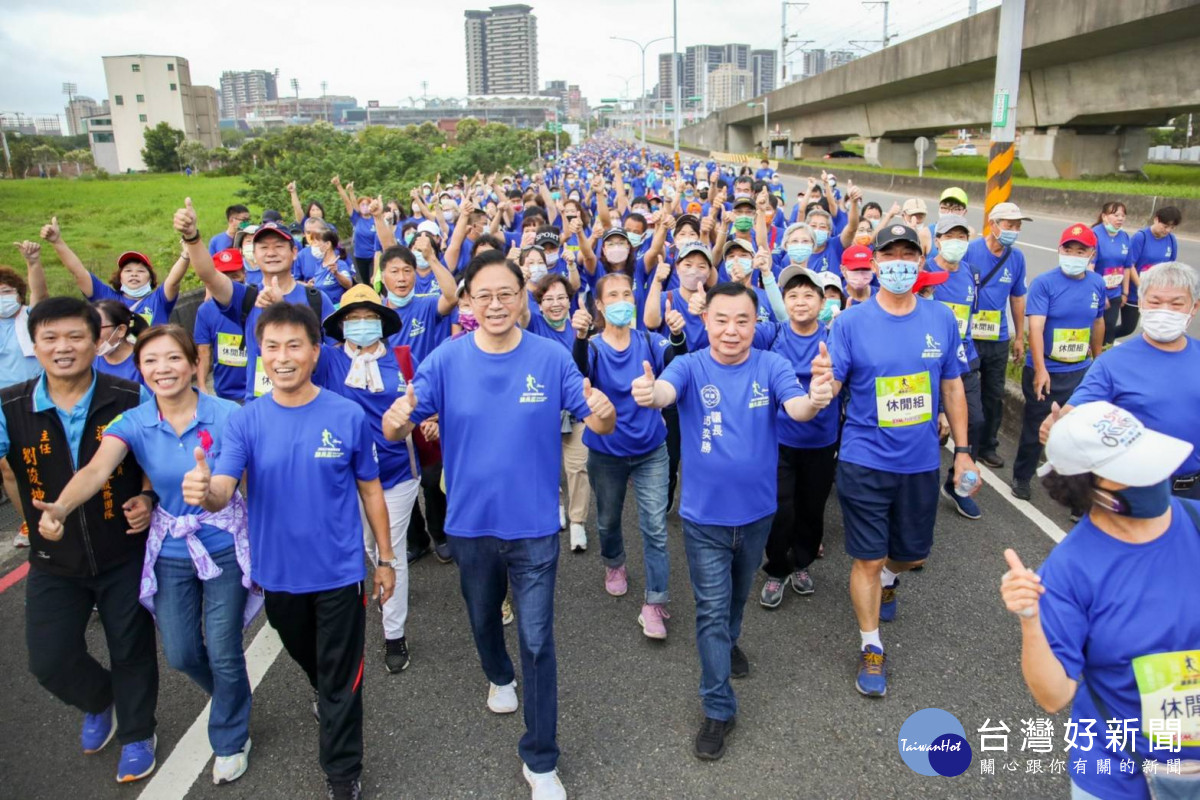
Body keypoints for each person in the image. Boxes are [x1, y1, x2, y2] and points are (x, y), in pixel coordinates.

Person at [382, 249, 616, 800]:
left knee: (537, 640)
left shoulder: (551, 358)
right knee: (484, 617)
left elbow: (598, 422)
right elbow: (402, 426)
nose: (494, 304)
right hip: (469, 524)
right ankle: (497, 672)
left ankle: (540, 759)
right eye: (482, 295)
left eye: (505, 294)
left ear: (522, 301)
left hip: (535, 525)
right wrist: (396, 424)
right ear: (467, 301)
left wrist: (603, 410)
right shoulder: (445, 360)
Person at [181, 302, 397, 800]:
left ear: (315, 353)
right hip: (277, 575)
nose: (283, 357)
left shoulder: (345, 414)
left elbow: (370, 491)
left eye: (294, 345)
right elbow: (222, 487)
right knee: (313, 660)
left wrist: (385, 560)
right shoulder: (245, 421)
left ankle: (342, 774)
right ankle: (323, 690)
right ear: (260, 353)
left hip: (340, 573)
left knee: (343, 679)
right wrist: (203, 491)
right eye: (272, 347)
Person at [33, 325, 254, 784]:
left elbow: (235, 483)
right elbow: (96, 469)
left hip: (223, 544)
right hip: (170, 546)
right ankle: (234, 698)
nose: (163, 369)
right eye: (151, 361)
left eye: (174, 358)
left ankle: (231, 737)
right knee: (180, 653)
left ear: (194, 364)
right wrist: (62, 507)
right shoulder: (132, 420)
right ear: (140, 371)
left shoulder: (228, 413)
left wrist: (213, 493)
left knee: (226, 651)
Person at [632, 281, 833, 760]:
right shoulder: (689, 364)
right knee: (709, 609)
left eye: (743, 320)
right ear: (707, 322)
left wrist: (818, 397)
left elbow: (797, 407)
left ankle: (731, 641)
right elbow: (663, 391)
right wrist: (649, 392)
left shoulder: (772, 364)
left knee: (735, 599)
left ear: (756, 324)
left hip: (759, 513)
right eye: (721, 319)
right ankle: (718, 706)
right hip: (703, 519)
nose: (731, 330)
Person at [1000, 401, 1200, 800]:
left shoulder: (1194, 519)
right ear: (1092, 491)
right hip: (1121, 775)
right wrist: (1029, 619)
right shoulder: (1069, 573)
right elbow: (1054, 694)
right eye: (1136, 473)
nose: (1157, 477)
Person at [0, 297, 158, 782]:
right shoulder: (11, 405)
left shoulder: (131, 396)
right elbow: (8, 470)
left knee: (130, 647)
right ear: (35, 345)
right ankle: (99, 698)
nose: (62, 348)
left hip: (122, 548)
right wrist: (32, 519)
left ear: (98, 340)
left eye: (75, 337)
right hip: (53, 558)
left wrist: (149, 497)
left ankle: (137, 731)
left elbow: (157, 458)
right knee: (49, 660)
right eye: (49, 338)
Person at [826, 223, 977, 699]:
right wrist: (818, 388)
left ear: (920, 262)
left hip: (919, 462)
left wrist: (964, 453)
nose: (897, 263)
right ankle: (872, 645)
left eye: (907, 254)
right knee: (867, 557)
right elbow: (832, 384)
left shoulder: (940, 319)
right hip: (863, 458)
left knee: (912, 554)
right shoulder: (849, 322)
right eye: (888, 254)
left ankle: (892, 576)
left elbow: (952, 385)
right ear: (874, 264)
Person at [572, 272, 686, 637]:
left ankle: (655, 602)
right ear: (601, 306)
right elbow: (579, 372)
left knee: (654, 528)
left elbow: (680, 361)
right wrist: (577, 336)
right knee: (606, 520)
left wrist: (679, 334)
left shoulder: (649, 342)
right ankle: (614, 562)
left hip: (651, 449)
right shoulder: (592, 347)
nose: (622, 301)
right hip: (606, 452)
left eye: (627, 294)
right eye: (613, 296)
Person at [313, 284, 418, 674]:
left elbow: (421, 406)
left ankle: (394, 633)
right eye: (352, 319)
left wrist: (418, 420)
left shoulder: (403, 362)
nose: (360, 325)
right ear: (340, 325)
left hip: (396, 472)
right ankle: (382, 583)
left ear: (382, 322)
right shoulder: (326, 361)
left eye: (368, 317)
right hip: (343, 475)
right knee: (367, 545)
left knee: (390, 550)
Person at [1043, 262, 1200, 500]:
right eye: (1155, 302)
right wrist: (1058, 425)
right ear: (1143, 303)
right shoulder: (1112, 363)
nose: (1165, 311)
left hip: (1194, 492)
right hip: (1135, 491)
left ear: (1194, 307)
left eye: (1176, 304)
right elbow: (1075, 411)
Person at [173, 198, 334, 403]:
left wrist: (281, 310)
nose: (271, 252)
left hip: (310, 402)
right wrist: (192, 237)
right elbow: (209, 275)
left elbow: (334, 356)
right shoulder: (245, 297)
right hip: (259, 405)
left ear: (294, 252)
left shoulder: (317, 300)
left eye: (278, 246)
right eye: (263, 247)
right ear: (253, 255)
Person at [753, 266, 842, 608]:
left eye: (808, 295)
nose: (800, 302)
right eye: (792, 295)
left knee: (812, 507)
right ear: (782, 302)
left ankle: (801, 563)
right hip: (779, 439)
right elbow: (738, 334)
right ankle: (776, 570)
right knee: (780, 508)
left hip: (821, 441)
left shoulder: (835, 337)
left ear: (822, 302)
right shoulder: (772, 334)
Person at [1012, 224, 1106, 504]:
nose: (1074, 254)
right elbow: (1036, 328)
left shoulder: (1097, 284)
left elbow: (1098, 322)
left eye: (1081, 250)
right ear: (1060, 249)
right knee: (1036, 426)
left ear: (1091, 254)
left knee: (1079, 433)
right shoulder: (1045, 283)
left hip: (1079, 369)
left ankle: (1076, 492)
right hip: (1048, 369)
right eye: (1069, 249)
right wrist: (1040, 369)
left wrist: (1098, 360)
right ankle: (1022, 475)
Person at [926, 214, 985, 521]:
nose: (956, 243)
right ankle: (918, 487)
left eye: (962, 237)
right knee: (930, 430)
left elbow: (968, 320)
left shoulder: (971, 274)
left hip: (964, 359)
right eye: (950, 236)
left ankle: (956, 484)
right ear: (938, 240)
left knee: (975, 422)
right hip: (931, 361)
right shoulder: (925, 272)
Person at [525, 274, 590, 551]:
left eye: (561, 297)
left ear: (570, 301)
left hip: (575, 411)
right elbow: (519, 309)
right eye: (548, 299)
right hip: (541, 411)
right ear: (539, 304)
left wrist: (583, 336)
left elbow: (587, 368)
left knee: (578, 467)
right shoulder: (532, 324)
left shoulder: (580, 326)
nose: (555, 304)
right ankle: (556, 505)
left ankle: (578, 522)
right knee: (546, 465)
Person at [964, 202, 1030, 470]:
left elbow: (1017, 298)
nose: (1013, 230)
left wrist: (1018, 337)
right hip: (968, 337)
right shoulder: (970, 251)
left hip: (998, 337)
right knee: (967, 390)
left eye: (1017, 226)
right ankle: (965, 442)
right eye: (1008, 225)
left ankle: (987, 446)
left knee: (994, 394)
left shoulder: (1016, 259)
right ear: (992, 224)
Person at [39, 217, 188, 327]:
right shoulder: (106, 297)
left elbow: (173, 280)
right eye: (128, 271)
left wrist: (186, 254)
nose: (134, 274)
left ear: (150, 279)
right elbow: (78, 272)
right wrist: (57, 242)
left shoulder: (159, 299)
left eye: (141, 271)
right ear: (120, 277)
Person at [3, 242, 48, 548]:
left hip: (36, 398)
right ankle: (29, 521)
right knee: (8, 465)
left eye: (6, 290)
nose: (2, 297)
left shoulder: (30, 317)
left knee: (46, 458)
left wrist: (33, 263)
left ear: (17, 293)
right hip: (2, 404)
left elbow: (41, 296)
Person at [1116, 206, 1183, 340]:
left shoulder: (1171, 240)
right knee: (1128, 327)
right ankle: (1100, 338)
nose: (1168, 230)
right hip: (1137, 292)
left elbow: (1170, 266)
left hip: (1157, 294)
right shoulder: (1141, 237)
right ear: (1156, 219)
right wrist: (1142, 287)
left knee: (1154, 328)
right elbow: (1130, 265)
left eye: (1172, 228)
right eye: (1165, 226)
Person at [194, 249, 249, 402]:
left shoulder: (259, 301)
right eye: (224, 276)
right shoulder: (205, 311)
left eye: (235, 275)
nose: (229, 282)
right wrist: (201, 385)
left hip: (258, 392)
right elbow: (203, 351)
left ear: (245, 273)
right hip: (225, 394)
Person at [1092, 202, 1131, 346]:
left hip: (1115, 293)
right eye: (1116, 215)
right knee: (1095, 329)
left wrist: (1125, 292)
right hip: (1097, 293)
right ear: (1104, 217)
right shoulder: (1095, 234)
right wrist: (1101, 293)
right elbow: (1090, 267)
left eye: (1123, 215)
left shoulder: (1125, 237)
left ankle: (1105, 359)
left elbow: (1127, 266)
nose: (1120, 218)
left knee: (1109, 331)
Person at [93, 300, 149, 387]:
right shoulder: (88, 362)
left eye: (97, 327)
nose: (92, 334)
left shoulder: (145, 363)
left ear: (121, 330)